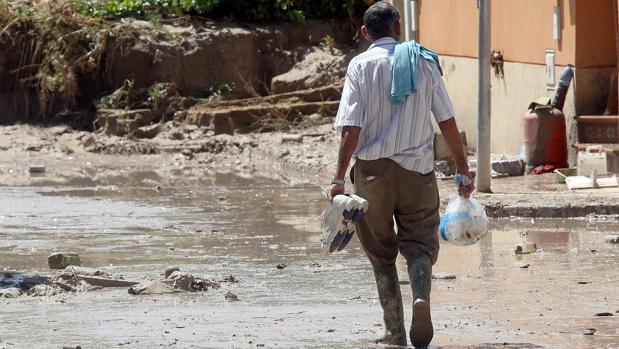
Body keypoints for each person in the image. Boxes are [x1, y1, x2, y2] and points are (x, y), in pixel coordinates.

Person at [326, 2, 474, 348]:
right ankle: (420, 297)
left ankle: (394, 332)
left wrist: (337, 178)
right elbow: (447, 120)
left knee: (380, 252)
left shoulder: (360, 65)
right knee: (420, 244)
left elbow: (351, 127)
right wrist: (463, 168)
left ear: (365, 33)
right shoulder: (424, 62)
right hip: (418, 172)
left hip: (372, 174)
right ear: (397, 28)